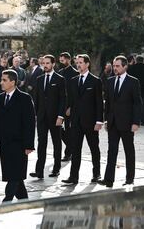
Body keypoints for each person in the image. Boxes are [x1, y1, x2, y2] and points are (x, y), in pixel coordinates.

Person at [0, 70, 35, 202]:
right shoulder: (0, 98)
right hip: (5, 143)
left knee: (15, 173)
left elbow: (30, 124)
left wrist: (29, 145)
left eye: (4, 80)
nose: (1, 82)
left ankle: (7, 199)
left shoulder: (25, 98)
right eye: (1, 80)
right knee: (13, 172)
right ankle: (23, 200)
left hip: (19, 143)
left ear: (13, 82)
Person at [98, 56, 142, 188]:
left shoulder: (133, 82)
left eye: (117, 66)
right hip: (112, 123)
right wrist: (106, 120)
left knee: (129, 151)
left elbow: (137, 103)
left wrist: (136, 122)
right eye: (114, 65)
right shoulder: (110, 81)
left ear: (125, 66)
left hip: (127, 123)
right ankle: (108, 180)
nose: (115, 68)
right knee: (111, 151)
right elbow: (108, 103)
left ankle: (129, 179)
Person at [61, 55, 103, 185]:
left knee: (94, 148)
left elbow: (99, 103)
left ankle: (97, 174)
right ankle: (73, 177)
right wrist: (68, 110)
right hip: (76, 121)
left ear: (87, 64)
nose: (78, 65)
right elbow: (71, 99)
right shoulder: (73, 81)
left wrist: (99, 121)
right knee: (75, 149)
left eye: (80, 63)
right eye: (77, 63)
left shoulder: (95, 81)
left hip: (91, 122)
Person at [31, 55, 66, 179]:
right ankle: (39, 170)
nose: (45, 65)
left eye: (47, 63)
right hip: (41, 117)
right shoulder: (39, 79)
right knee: (41, 143)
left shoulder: (60, 79)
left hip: (55, 117)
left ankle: (56, 169)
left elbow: (63, 100)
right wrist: (35, 115)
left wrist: (60, 116)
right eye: (43, 63)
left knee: (57, 143)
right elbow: (36, 98)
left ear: (53, 64)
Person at [58, 52, 78, 162]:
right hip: (60, 106)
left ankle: (68, 152)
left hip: (70, 107)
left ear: (68, 60)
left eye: (63, 60)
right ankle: (71, 147)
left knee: (69, 130)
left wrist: (71, 107)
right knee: (59, 130)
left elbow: (74, 93)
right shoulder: (60, 72)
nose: (61, 63)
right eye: (60, 61)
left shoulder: (75, 73)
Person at [128, 55, 144, 125]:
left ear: (136, 60)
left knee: (133, 103)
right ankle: (143, 119)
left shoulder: (132, 68)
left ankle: (134, 118)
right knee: (143, 104)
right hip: (143, 88)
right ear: (143, 60)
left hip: (133, 88)